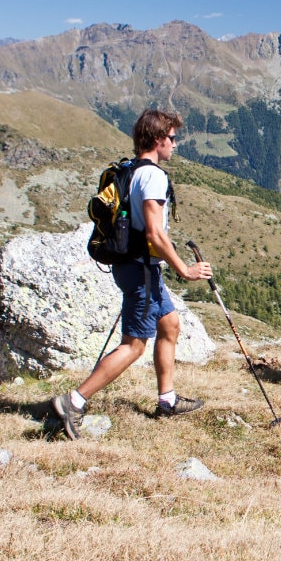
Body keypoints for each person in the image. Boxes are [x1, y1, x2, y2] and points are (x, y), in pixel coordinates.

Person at [53, 109, 213, 440]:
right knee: (134, 345)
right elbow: (155, 233)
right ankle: (74, 401)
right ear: (157, 140)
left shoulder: (130, 170)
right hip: (141, 270)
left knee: (170, 324)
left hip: (135, 267)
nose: (175, 145)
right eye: (171, 138)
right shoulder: (152, 176)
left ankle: (167, 400)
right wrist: (185, 270)